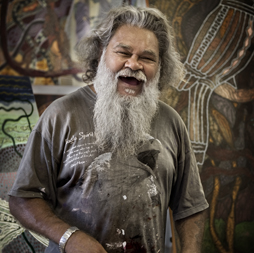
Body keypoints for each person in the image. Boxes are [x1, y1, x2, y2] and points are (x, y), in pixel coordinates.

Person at [9, 5, 209, 253]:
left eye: (147, 57)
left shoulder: (171, 121)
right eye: (123, 52)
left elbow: (190, 207)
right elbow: (23, 198)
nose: (134, 64)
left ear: (160, 66)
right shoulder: (60, 114)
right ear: (100, 54)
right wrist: (69, 237)